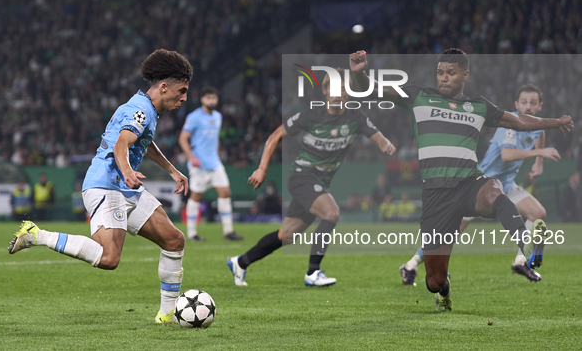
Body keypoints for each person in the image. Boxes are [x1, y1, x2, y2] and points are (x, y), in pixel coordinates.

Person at [351, 49, 573, 310]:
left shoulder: (478, 106)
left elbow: (518, 120)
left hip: (469, 184)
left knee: (494, 189)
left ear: (465, 75)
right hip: (435, 197)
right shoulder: (418, 95)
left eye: (451, 73)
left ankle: (525, 246)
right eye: (440, 72)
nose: (443, 78)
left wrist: (553, 122)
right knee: (434, 280)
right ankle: (444, 291)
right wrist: (360, 75)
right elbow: (374, 91)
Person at [8, 49, 193, 324]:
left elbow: (143, 141)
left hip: (125, 187)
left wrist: (172, 170)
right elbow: (122, 143)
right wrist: (128, 171)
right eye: (182, 90)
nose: (184, 97)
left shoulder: (148, 110)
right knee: (108, 258)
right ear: (163, 87)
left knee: (174, 240)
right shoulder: (140, 110)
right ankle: (37, 235)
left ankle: (166, 316)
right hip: (107, 186)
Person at [227, 67, 396, 287]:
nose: (338, 92)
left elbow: (378, 136)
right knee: (331, 212)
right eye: (333, 87)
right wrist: (262, 168)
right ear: (325, 90)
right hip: (302, 177)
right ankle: (313, 273)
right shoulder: (310, 115)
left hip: (320, 183)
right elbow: (276, 135)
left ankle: (240, 262)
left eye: (343, 87)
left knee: (286, 235)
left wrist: (387, 146)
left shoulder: (355, 117)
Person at [400, 84, 560, 284]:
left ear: (540, 106)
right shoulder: (510, 127)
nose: (528, 107)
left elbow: (540, 136)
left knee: (538, 213)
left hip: (506, 186)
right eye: (524, 102)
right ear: (516, 104)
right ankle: (411, 264)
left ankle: (521, 262)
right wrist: (540, 153)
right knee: (450, 233)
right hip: (480, 187)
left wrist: (539, 162)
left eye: (533, 103)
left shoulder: (536, 128)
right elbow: (507, 154)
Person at [178, 86, 243, 242]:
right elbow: (182, 138)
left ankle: (228, 231)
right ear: (202, 99)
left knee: (225, 193)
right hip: (198, 165)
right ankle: (192, 233)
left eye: (214, 98)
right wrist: (191, 157)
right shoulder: (194, 117)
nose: (211, 101)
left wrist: (218, 153)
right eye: (208, 98)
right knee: (196, 197)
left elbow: (215, 139)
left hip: (214, 163)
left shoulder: (218, 117)